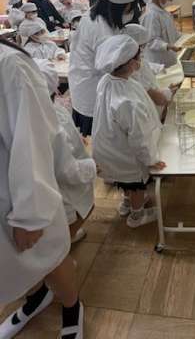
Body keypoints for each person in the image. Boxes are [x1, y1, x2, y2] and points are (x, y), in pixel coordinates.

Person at [0, 38, 83, 339]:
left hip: (16, 196)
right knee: (15, 267)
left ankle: (72, 307)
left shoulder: (9, 65)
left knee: (47, 259)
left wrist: (29, 215)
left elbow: (32, 141)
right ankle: (36, 299)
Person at [92, 35, 166, 227]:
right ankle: (137, 215)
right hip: (125, 154)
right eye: (139, 56)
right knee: (136, 184)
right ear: (132, 63)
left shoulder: (107, 81)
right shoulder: (127, 101)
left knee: (124, 181)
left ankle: (127, 203)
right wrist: (151, 159)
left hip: (110, 148)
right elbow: (139, 137)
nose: (141, 60)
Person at [69, 0, 137, 137]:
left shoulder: (95, 14)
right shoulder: (102, 30)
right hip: (93, 91)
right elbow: (115, 69)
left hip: (83, 83)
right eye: (130, 7)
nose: (130, 11)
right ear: (119, 6)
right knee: (102, 138)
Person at [37, 60, 96, 245]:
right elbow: (67, 170)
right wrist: (93, 167)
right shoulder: (52, 121)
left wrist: (76, 137)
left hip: (47, 181)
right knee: (83, 203)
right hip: (58, 185)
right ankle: (64, 244)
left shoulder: (52, 111)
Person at [123, 23, 177, 118]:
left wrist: (159, 68)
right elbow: (154, 96)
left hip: (156, 100)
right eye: (143, 46)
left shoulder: (131, 59)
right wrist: (168, 92)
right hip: (150, 111)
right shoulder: (130, 71)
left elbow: (145, 65)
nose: (144, 49)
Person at [140, 0, 182, 67]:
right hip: (157, 62)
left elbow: (172, 32)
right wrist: (167, 46)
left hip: (168, 58)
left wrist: (185, 38)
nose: (171, 0)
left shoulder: (163, 12)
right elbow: (150, 41)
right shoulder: (151, 15)